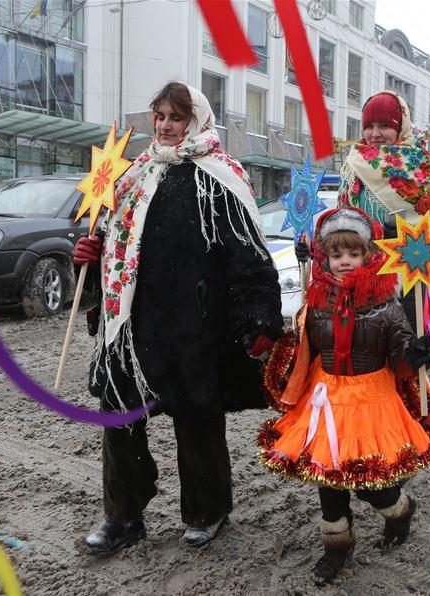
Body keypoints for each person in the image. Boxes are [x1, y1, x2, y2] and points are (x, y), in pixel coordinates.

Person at [73, 82, 284, 553]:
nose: (165, 126)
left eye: (175, 117)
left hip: (194, 324)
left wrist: (260, 320)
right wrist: (90, 254)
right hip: (129, 326)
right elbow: (111, 248)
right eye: (160, 116)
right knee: (120, 417)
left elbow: (248, 256)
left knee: (196, 418)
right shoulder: (132, 176)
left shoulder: (219, 176)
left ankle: (207, 510)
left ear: (196, 119)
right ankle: (123, 515)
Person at [258, 207, 430, 583]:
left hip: (371, 401)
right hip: (326, 398)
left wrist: (414, 355)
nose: (345, 262)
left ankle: (400, 510)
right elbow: (302, 353)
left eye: (354, 253)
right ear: (324, 258)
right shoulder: (315, 303)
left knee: (373, 486)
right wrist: (280, 341)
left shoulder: (387, 307)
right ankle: (337, 546)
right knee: (328, 483)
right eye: (336, 254)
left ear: (369, 255)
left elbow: (401, 366)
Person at [338, 90, 430, 327]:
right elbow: (340, 223)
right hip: (362, 279)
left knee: (406, 353)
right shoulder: (353, 165)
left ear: (401, 125)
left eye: (384, 125)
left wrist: (412, 247)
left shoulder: (421, 168)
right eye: (369, 126)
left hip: (407, 279)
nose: (375, 134)